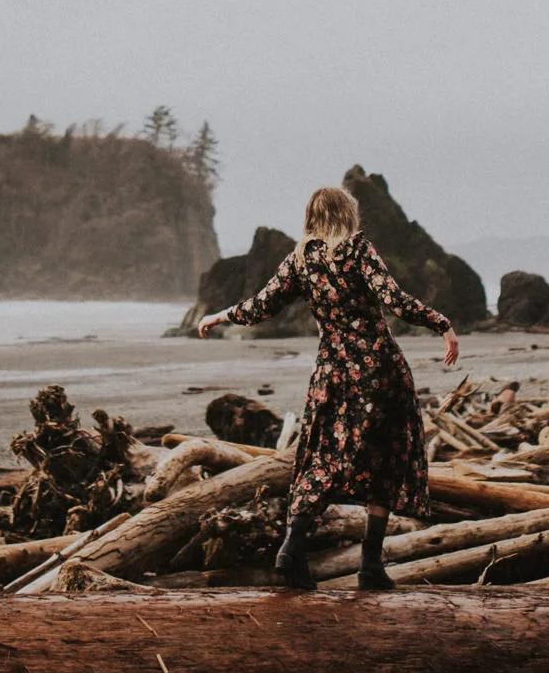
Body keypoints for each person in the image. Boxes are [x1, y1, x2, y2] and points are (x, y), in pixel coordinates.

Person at [196, 185, 459, 590]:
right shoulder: (356, 249)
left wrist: (219, 315)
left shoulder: (300, 259)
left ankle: (290, 551)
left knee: (320, 457)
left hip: (331, 375)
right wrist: (442, 323)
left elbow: (260, 305)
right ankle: (370, 565)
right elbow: (394, 298)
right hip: (377, 372)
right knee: (384, 459)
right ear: (346, 214)